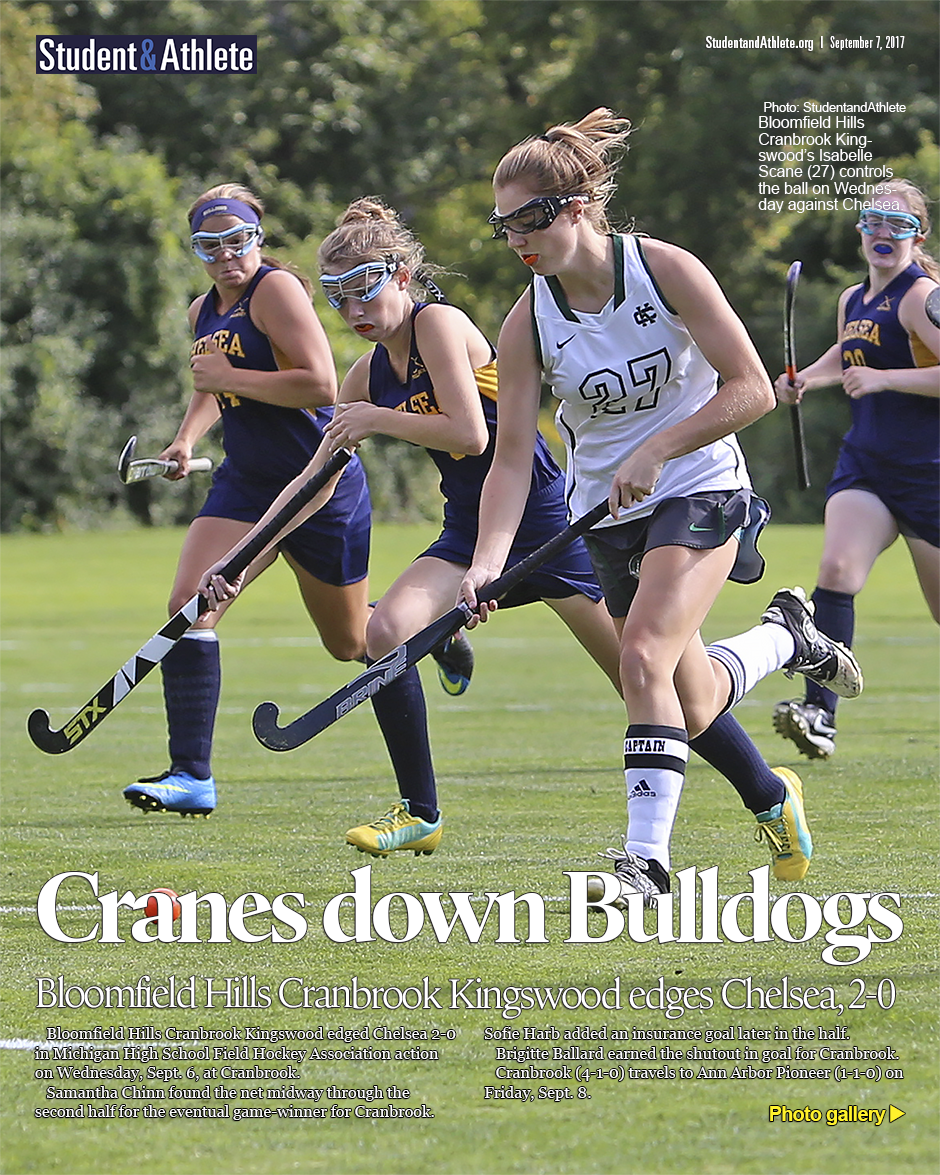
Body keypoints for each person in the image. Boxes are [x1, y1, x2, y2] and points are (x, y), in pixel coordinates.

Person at [459, 109, 863, 904]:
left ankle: (644, 862)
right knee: (690, 698)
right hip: (606, 514)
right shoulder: (527, 320)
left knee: (641, 657)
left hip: (702, 485)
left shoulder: (663, 268)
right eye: (503, 226)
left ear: (577, 207)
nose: (516, 241)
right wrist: (486, 563)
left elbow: (749, 388)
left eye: (529, 221)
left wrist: (657, 449)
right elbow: (509, 460)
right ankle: (787, 635)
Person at [200, 196, 621, 856]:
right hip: (467, 530)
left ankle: (770, 692)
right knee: (384, 630)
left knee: (649, 686)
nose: (354, 310)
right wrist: (239, 560)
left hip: (543, 523)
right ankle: (420, 812)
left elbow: (470, 433)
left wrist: (377, 420)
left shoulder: (439, 325)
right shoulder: (366, 375)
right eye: (338, 297)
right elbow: (314, 483)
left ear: (401, 275)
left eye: (364, 288)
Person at [122, 183, 458, 819]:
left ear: (257, 237)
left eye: (237, 240)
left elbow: (320, 384)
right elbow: (212, 385)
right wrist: (186, 438)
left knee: (350, 642)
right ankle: (191, 774)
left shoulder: (274, 290)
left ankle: (429, 631)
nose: (226, 255)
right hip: (247, 484)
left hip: (317, 486)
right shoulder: (202, 311)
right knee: (190, 605)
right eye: (209, 245)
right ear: (196, 250)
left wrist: (229, 378)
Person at [772, 180, 939, 759]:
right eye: (873, 221)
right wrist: (804, 380)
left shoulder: (921, 298)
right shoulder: (853, 299)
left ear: (919, 237)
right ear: (860, 229)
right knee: (836, 571)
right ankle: (819, 713)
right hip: (866, 464)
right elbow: (845, 355)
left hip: (929, 472)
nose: (883, 233)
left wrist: (885, 379)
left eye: (898, 225)